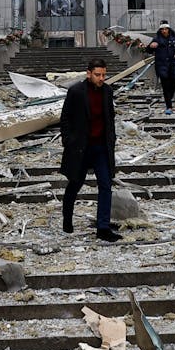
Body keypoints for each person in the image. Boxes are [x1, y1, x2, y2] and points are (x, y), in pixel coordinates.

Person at [58, 58, 120, 241]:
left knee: (106, 185)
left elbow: (110, 118)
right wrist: (68, 141)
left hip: (101, 147)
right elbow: (65, 118)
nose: (101, 78)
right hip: (81, 148)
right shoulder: (76, 91)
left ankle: (103, 227)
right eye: (97, 75)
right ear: (89, 74)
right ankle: (67, 218)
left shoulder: (107, 92)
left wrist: (112, 139)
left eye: (103, 75)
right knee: (75, 183)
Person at [148, 23, 175, 114]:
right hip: (161, 65)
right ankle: (169, 106)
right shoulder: (156, 40)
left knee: (173, 84)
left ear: (168, 30)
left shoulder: (174, 39)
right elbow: (148, 50)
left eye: (165, 29)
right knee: (165, 86)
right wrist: (151, 46)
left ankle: (169, 99)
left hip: (173, 65)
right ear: (160, 31)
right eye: (162, 29)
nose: (164, 31)